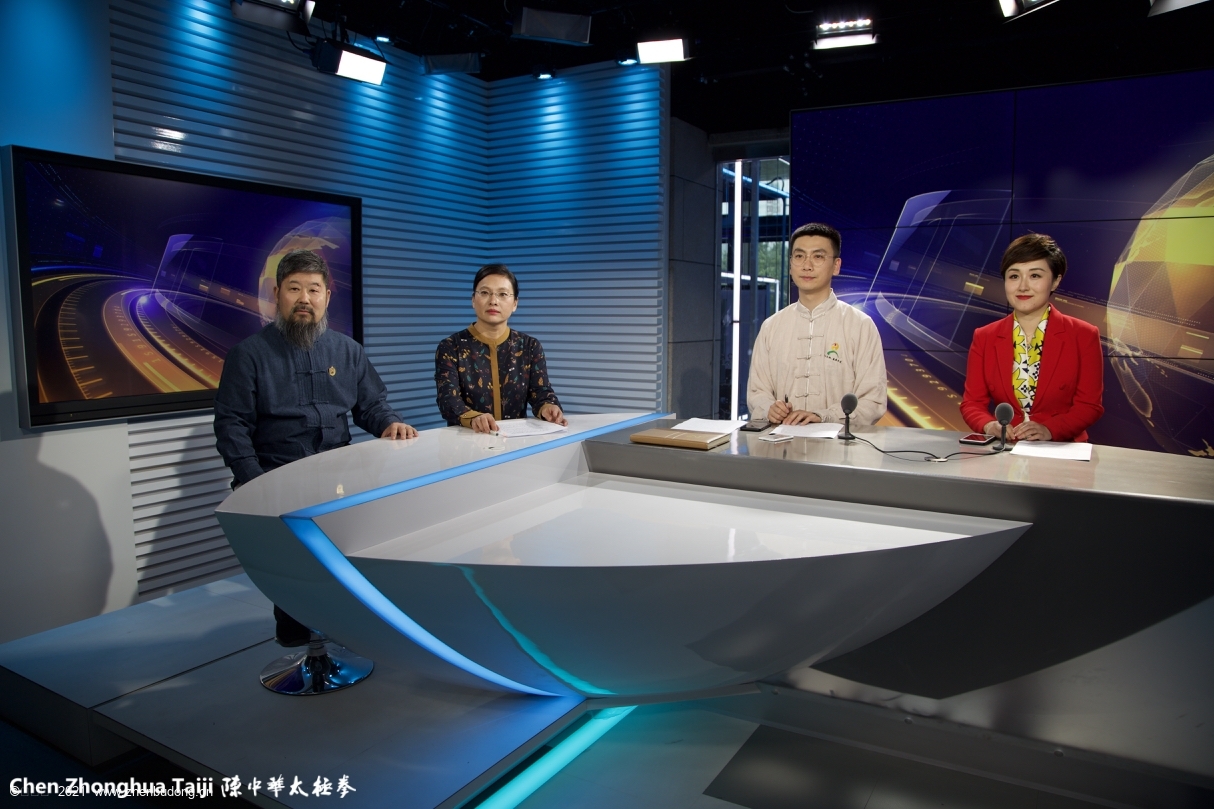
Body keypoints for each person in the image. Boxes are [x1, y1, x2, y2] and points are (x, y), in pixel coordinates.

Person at [214, 248, 416, 645]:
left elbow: (371, 406)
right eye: (294, 288)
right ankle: (304, 650)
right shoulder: (248, 355)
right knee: (296, 583)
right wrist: (255, 483)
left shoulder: (348, 351)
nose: (304, 298)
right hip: (278, 481)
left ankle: (339, 638)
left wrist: (390, 423)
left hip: (340, 481)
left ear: (327, 295)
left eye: (314, 289)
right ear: (277, 294)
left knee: (345, 571)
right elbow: (231, 425)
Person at [961, 233, 1104, 442]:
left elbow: (1089, 406)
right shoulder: (985, 336)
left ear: (1055, 281)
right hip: (1006, 448)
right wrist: (989, 425)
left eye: (1035, 275)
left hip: (1062, 448)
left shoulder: (1083, 335)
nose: (1023, 286)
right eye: (1014, 276)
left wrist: (1050, 430)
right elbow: (972, 403)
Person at [747, 222, 887, 426]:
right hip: (780, 441)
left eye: (818, 256)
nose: (807, 265)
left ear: (836, 266)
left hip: (840, 443)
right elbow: (757, 391)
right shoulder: (772, 326)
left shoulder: (860, 325)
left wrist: (825, 416)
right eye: (799, 256)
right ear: (791, 264)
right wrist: (769, 408)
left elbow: (872, 400)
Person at [435, 264, 566, 433]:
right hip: (467, 439)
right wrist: (473, 418)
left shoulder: (529, 346)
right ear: (473, 300)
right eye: (484, 293)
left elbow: (540, 392)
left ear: (515, 303)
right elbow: (448, 400)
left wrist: (548, 407)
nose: (493, 301)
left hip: (516, 441)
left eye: (502, 294)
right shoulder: (451, 347)